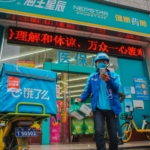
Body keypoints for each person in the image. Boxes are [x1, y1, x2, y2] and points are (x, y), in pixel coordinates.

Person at [76, 52, 122, 150]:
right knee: (99, 132)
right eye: (99, 61)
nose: (101, 63)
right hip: (98, 109)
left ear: (107, 63)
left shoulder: (115, 76)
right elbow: (87, 91)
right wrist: (81, 98)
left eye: (104, 61)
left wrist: (109, 80)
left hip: (112, 109)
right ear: (96, 63)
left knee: (113, 135)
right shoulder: (92, 76)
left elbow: (117, 89)